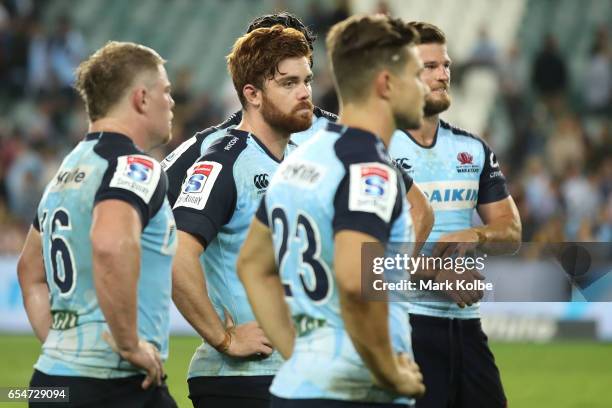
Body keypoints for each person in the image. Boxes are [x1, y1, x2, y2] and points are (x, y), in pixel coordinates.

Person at [237, 14, 427, 407]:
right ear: (386, 84)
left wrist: (299, 357)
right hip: (354, 392)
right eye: (416, 74)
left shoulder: (301, 160)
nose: (423, 88)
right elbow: (356, 282)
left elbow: (252, 266)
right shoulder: (369, 168)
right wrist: (389, 371)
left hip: (299, 386)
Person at [162, 11, 433, 248]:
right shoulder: (216, 147)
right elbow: (151, 219)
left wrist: (382, 280)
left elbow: (419, 209)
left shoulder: (342, 133)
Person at [16, 41, 177, 407]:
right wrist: (128, 344)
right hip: (115, 384)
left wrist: (62, 347)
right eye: (165, 91)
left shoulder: (66, 170)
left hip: (51, 381)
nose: (171, 102)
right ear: (141, 98)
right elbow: (109, 243)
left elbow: (29, 272)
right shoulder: (136, 166)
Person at [171, 25, 313, 407]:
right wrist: (224, 338)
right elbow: (177, 253)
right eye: (288, 83)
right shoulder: (225, 160)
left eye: (306, 81)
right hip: (247, 381)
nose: (304, 93)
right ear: (251, 94)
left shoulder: (305, 159)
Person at [388, 22, 522, 408]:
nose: (443, 74)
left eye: (445, 65)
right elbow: (358, 256)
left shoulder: (473, 148)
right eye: (428, 66)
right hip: (402, 325)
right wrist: (434, 272)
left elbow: (510, 229)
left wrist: (476, 236)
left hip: (465, 324)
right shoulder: (376, 148)